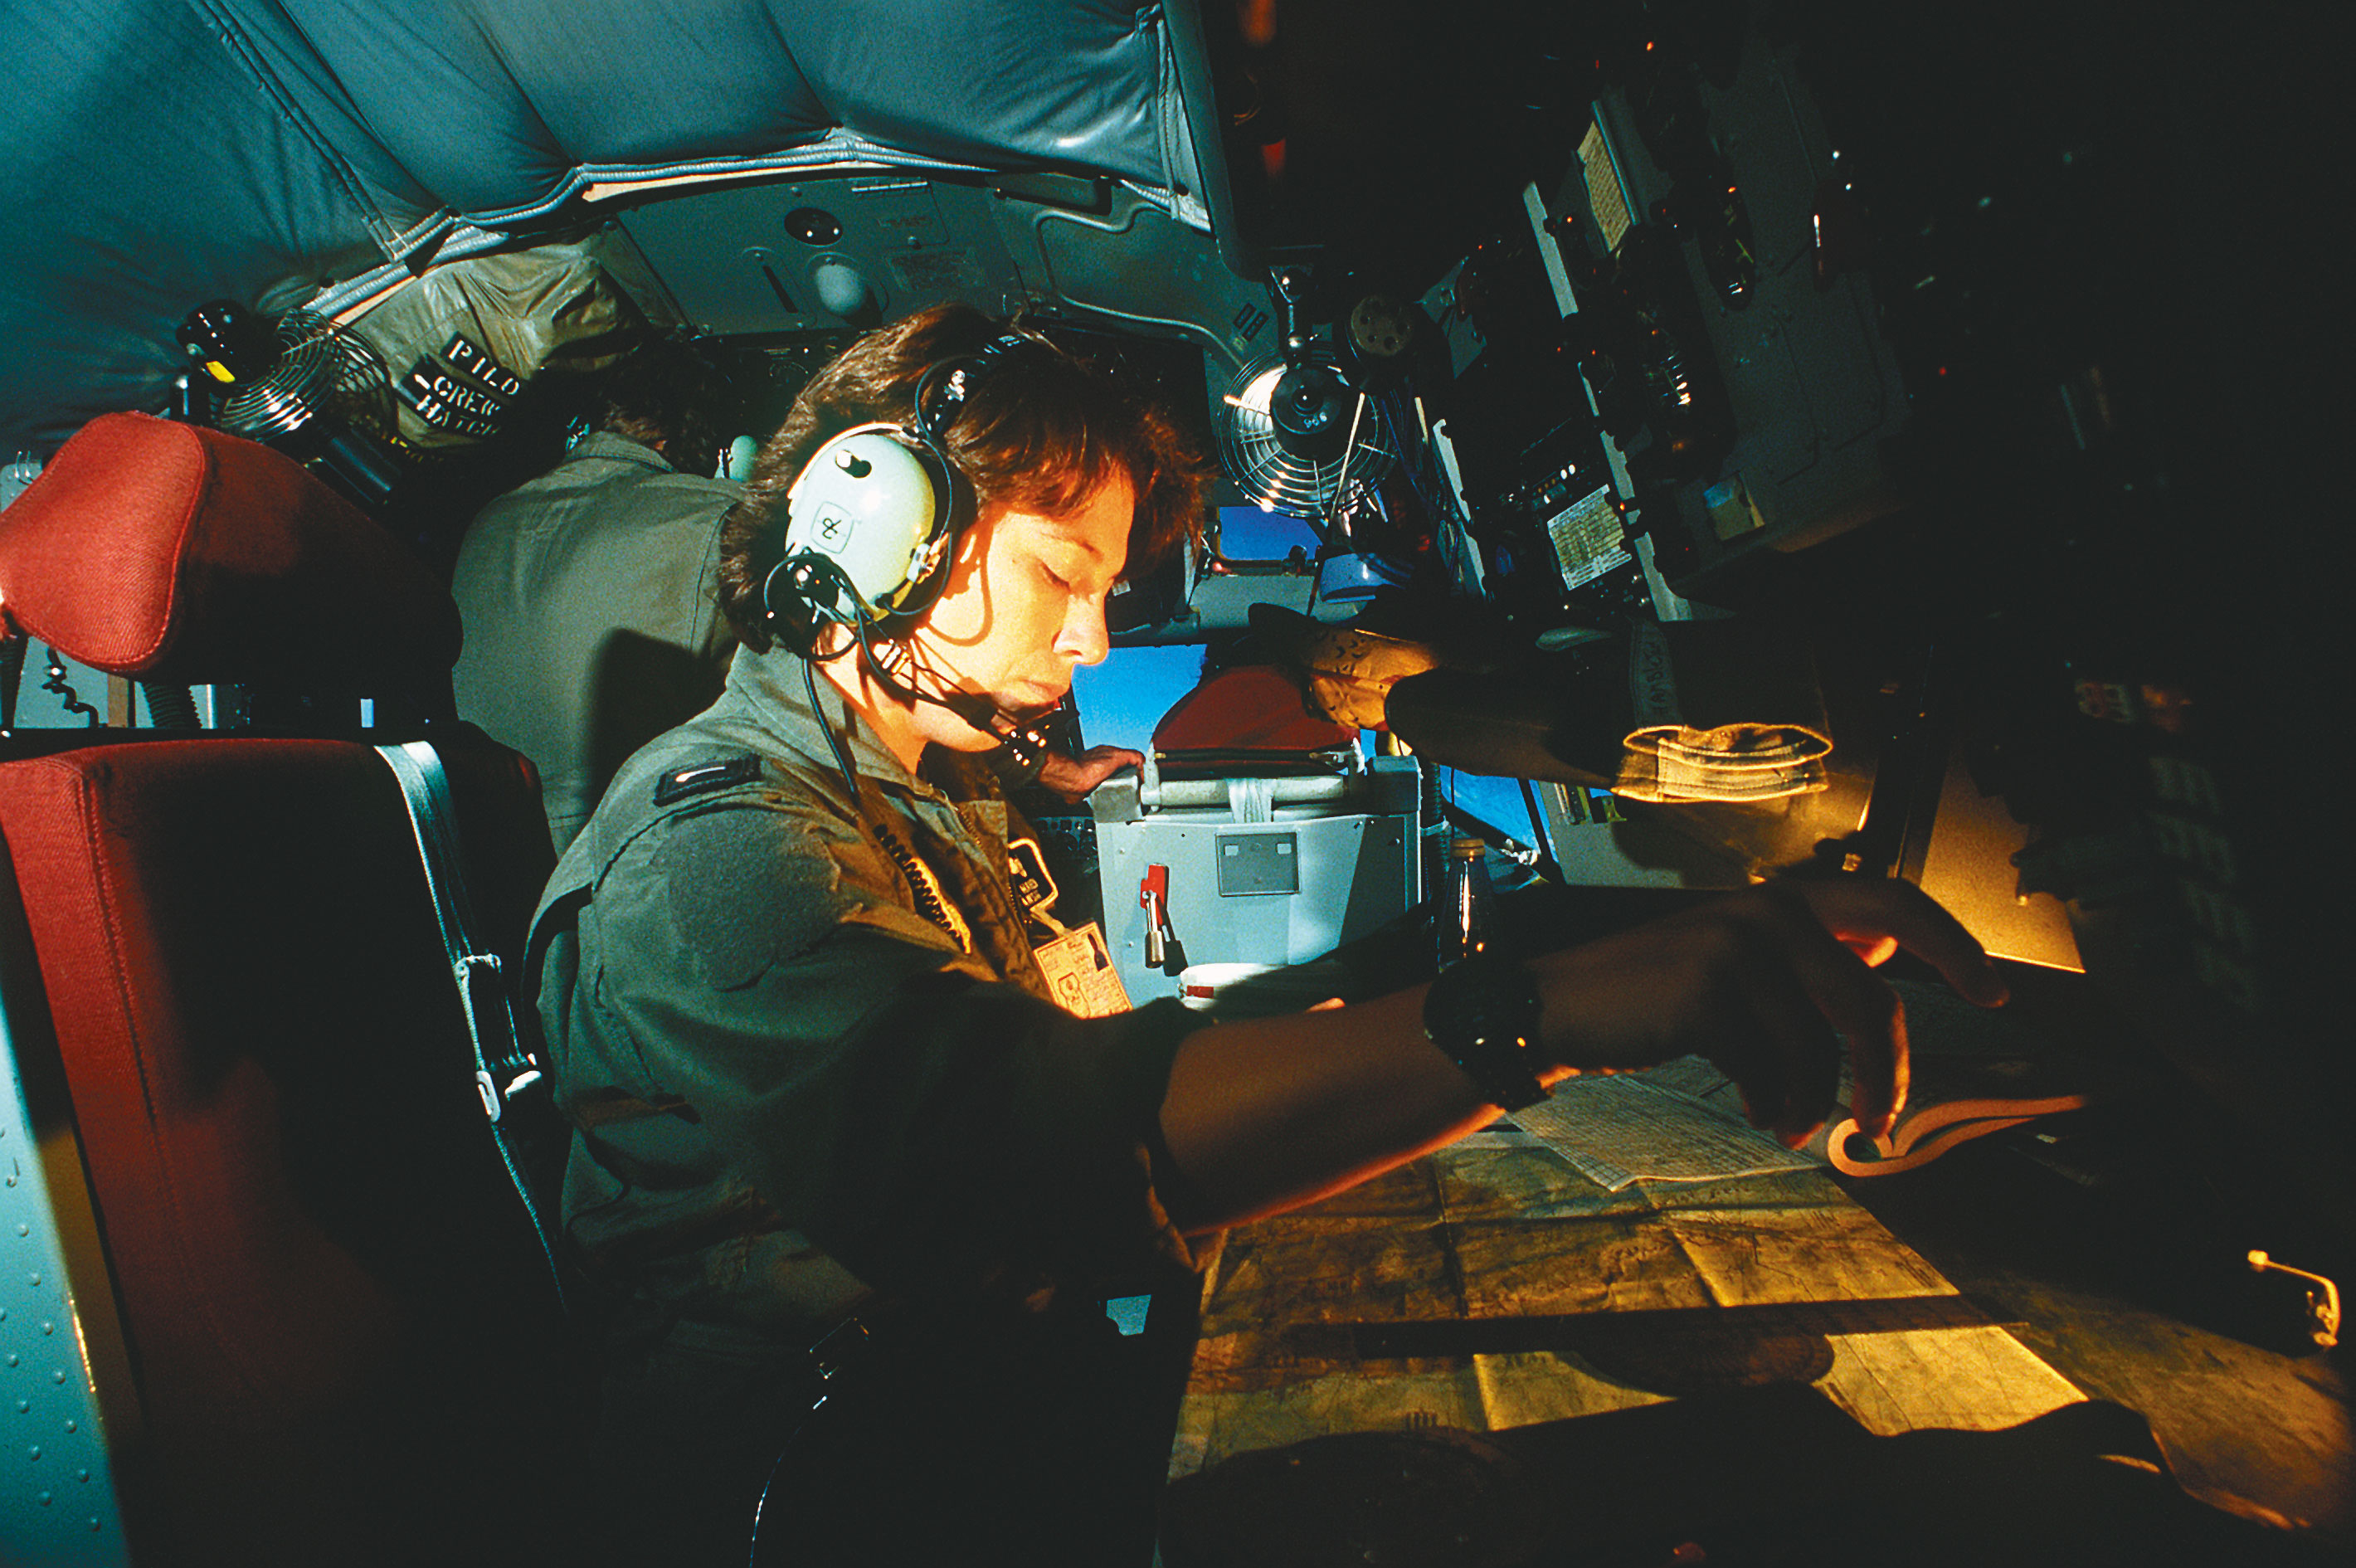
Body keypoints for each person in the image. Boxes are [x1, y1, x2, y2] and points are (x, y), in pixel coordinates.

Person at [525, 304, 2008, 1566]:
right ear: (873, 529)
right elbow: (1025, 1154)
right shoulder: (718, 853)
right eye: (1062, 573)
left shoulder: (931, 796)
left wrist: (1615, 947)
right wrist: (1537, 1023)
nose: (1095, 639)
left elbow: (1103, 1053)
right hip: (825, 1495)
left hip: (967, 1411)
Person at [451, 333, 747, 850]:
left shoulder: (487, 520)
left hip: (480, 845)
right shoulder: (718, 518)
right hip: (625, 853)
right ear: (712, 447)